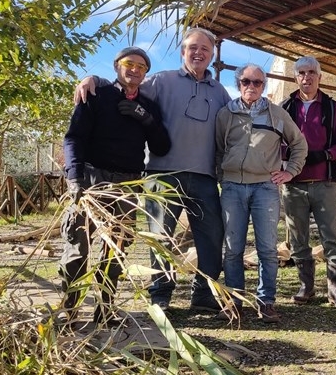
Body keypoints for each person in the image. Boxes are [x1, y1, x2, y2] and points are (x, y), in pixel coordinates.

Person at [73, 28, 232, 314]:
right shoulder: (161, 81)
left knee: (211, 235)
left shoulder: (220, 92)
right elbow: (124, 86)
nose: (198, 53)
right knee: (161, 238)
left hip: (205, 176)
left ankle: (205, 294)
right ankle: (160, 294)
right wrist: (92, 79)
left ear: (211, 55)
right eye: (192, 48)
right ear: (183, 52)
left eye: (205, 49)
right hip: (163, 174)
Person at [61, 47, 171, 326]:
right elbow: (73, 138)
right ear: (116, 66)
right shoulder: (95, 94)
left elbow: (162, 146)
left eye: (141, 66)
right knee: (78, 245)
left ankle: (104, 309)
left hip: (127, 182)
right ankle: (70, 310)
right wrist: (75, 177)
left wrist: (145, 119)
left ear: (146, 73)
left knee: (116, 249)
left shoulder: (148, 105)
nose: (134, 70)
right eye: (128, 63)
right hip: (91, 179)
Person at [215, 64, 307, 323]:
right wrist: (223, 177)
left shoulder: (277, 114)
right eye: (246, 81)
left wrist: (290, 172)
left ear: (264, 86)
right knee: (233, 249)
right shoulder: (226, 114)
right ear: (238, 83)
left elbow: (299, 144)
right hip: (233, 187)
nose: (251, 86)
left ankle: (266, 302)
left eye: (257, 82)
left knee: (267, 248)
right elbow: (218, 150)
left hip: (265, 188)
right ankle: (234, 302)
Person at [279, 56, 336, 309]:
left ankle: (335, 289)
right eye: (301, 72)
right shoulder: (285, 108)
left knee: (331, 238)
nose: (306, 77)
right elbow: (272, 142)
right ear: (295, 77)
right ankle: (306, 286)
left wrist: (325, 154)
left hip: (324, 183)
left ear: (320, 77)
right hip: (293, 185)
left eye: (312, 72)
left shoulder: (332, 108)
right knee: (298, 239)